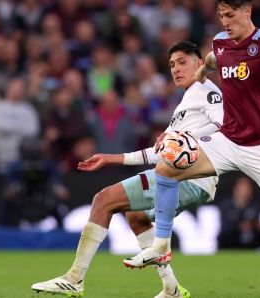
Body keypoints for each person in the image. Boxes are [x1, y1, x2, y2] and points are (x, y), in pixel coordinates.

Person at [125, 1, 260, 297]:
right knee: (166, 168)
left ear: (247, 11)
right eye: (221, 16)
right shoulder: (221, 42)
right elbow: (212, 58)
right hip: (229, 138)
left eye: (230, 16)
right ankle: (160, 246)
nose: (225, 22)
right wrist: (202, 74)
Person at [31, 41, 224, 298]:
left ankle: (75, 278)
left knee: (103, 200)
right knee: (136, 216)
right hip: (178, 176)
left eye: (182, 62)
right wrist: (111, 158)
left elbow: (223, 125)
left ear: (200, 64)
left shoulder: (205, 89)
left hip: (188, 177)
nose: (175, 69)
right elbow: (160, 151)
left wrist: (185, 136)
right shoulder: (185, 102)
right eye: (171, 65)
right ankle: (171, 289)